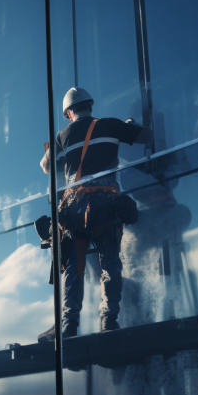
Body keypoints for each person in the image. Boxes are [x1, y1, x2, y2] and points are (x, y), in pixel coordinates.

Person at [39, 87, 150, 339]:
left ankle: (69, 324)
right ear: (90, 105)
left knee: (75, 268)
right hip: (105, 205)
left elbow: (45, 166)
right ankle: (109, 319)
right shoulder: (110, 125)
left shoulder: (62, 135)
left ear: (69, 113)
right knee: (109, 263)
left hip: (74, 209)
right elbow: (145, 136)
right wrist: (130, 125)